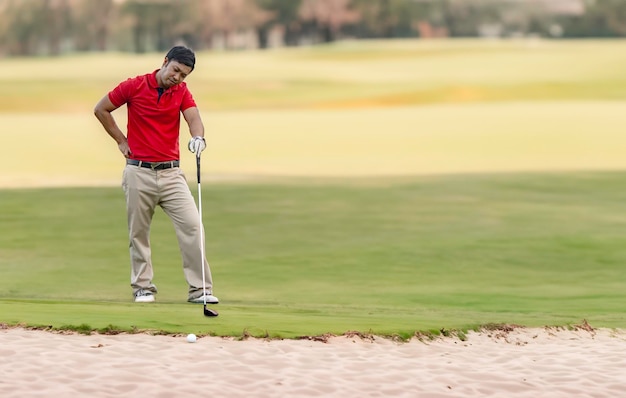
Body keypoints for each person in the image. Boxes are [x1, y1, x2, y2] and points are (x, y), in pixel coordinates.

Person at [93, 45, 218, 305]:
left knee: (193, 226)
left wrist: (198, 138)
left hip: (172, 175)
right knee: (138, 233)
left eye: (184, 75)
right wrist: (120, 140)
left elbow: (194, 117)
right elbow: (101, 109)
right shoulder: (134, 86)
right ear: (165, 62)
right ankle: (143, 288)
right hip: (139, 171)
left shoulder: (181, 91)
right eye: (175, 71)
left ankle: (200, 290)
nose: (178, 78)